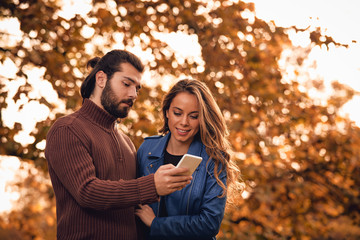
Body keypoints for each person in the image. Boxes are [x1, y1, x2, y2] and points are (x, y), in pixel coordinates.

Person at [45, 50, 192, 240]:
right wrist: (152, 185)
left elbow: (134, 207)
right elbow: (87, 192)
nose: (133, 94)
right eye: (126, 84)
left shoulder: (127, 143)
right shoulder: (67, 129)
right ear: (101, 79)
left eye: (137, 88)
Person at [135, 79, 241, 240]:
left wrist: (156, 223)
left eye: (193, 116)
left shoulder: (213, 160)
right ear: (167, 112)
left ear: (202, 119)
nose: (184, 122)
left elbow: (209, 224)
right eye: (178, 113)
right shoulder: (146, 150)